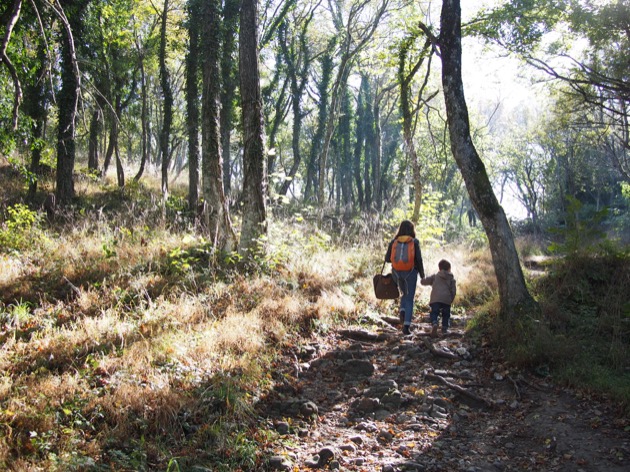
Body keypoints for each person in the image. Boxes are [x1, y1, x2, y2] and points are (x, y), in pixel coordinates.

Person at [385, 220, 425, 335]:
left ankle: (402, 311)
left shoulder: (394, 242)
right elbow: (419, 260)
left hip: (396, 273)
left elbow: (387, 259)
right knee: (409, 297)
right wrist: (422, 275)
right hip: (410, 273)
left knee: (403, 293)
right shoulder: (414, 242)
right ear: (412, 230)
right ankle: (406, 326)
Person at [421, 259, 457, 337]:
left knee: (434, 312)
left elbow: (423, 282)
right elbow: (453, 291)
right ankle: (444, 328)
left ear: (439, 268)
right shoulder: (451, 279)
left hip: (435, 299)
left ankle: (434, 323)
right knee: (446, 314)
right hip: (446, 299)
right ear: (449, 268)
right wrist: (450, 299)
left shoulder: (435, 276)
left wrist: (423, 277)